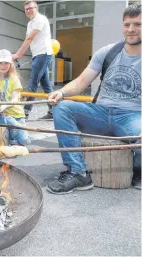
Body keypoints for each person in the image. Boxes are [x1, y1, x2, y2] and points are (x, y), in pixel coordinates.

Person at [46, 3, 141, 194]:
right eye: (127, 24)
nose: (131, 29)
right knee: (63, 108)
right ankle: (78, 173)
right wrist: (62, 92)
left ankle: (138, 170)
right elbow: (81, 81)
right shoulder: (108, 52)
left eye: (137, 24)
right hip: (101, 112)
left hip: (132, 117)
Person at [12, 0, 53, 120]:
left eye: (31, 8)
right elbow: (27, 38)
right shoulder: (30, 23)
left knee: (33, 82)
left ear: (37, 8)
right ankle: (53, 111)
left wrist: (18, 54)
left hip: (43, 53)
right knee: (46, 85)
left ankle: (25, 113)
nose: (28, 10)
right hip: (37, 55)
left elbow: (30, 38)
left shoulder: (41, 19)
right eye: (26, 9)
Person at [0, 49, 30, 146]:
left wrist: (4, 106)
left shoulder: (14, 79)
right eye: (0, 63)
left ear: (10, 64)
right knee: (5, 141)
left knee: (24, 141)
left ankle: (16, 134)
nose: (3, 66)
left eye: (6, 63)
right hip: (2, 116)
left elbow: (15, 99)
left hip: (17, 115)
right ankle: (12, 137)